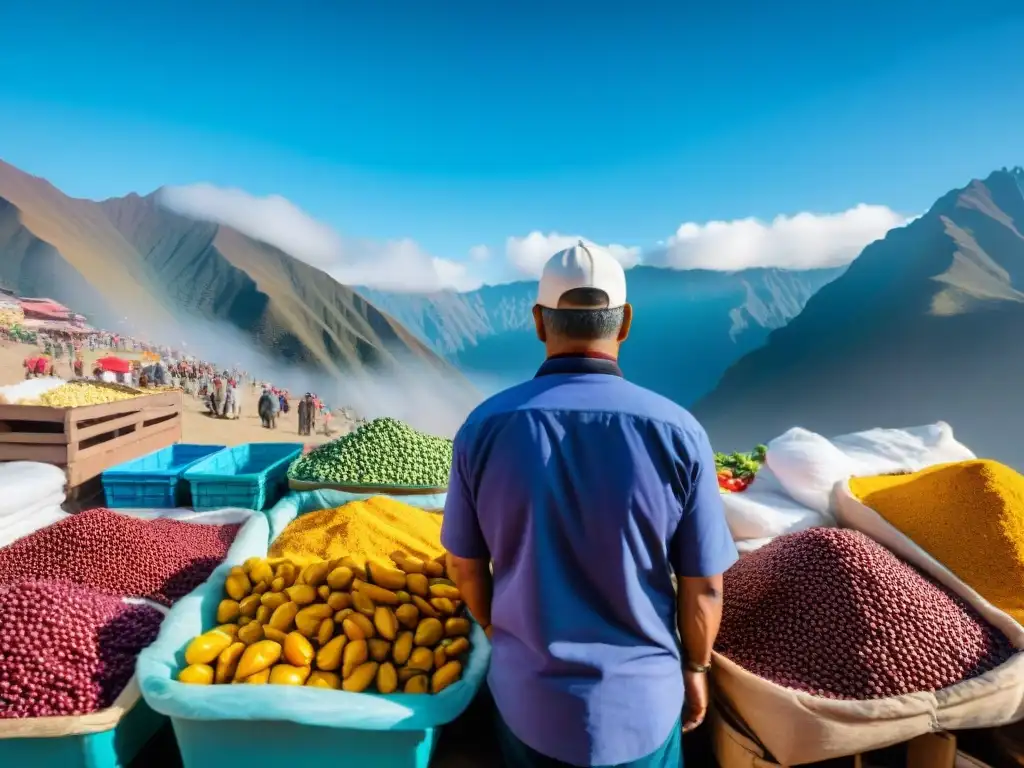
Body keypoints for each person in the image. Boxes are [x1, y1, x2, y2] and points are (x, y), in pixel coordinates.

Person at [440, 242, 738, 768]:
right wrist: (695, 668)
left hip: (527, 703)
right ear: (624, 323)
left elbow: (465, 567)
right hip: (644, 708)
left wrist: (494, 630)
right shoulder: (679, 432)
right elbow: (705, 587)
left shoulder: (482, 428)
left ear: (538, 321)